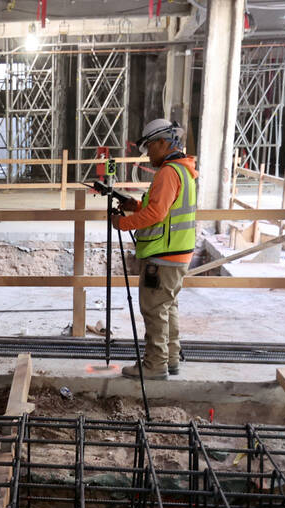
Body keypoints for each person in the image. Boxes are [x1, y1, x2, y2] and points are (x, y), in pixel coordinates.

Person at [113, 118, 198, 380]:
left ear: (163, 142)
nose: (148, 153)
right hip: (177, 253)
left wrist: (123, 223)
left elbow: (157, 214)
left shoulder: (168, 172)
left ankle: (154, 366)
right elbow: (165, 211)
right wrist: (136, 207)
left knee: (154, 310)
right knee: (167, 307)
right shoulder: (183, 171)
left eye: (150, 146)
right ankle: (170, 359)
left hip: (163, 255)